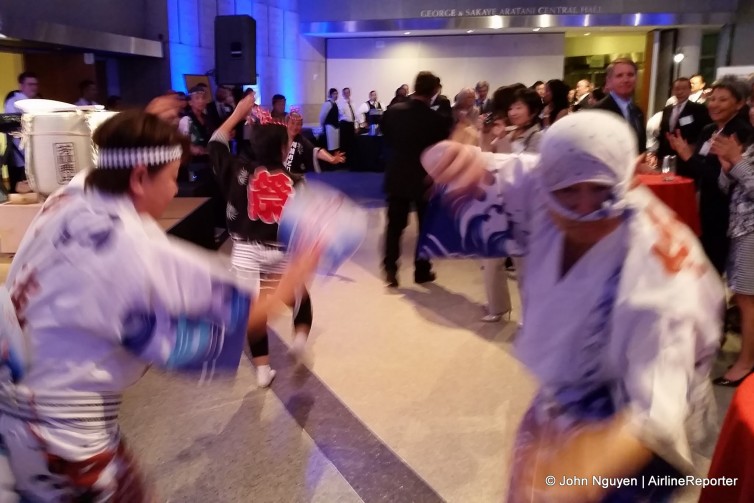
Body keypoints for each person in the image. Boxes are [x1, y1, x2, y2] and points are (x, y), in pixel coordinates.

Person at [0, 97, 319, 500]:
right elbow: (247, 311)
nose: (174, 188)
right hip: (67, 439)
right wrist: (301, 266)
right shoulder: (138, 249)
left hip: (12, 413)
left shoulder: (67, 196)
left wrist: (145, 125)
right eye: (172, 176)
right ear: (138, 177)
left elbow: (112, 160)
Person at [421, 110, 723, 501]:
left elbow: (656, 418)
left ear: (629, 178)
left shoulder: (660, 285)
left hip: (632, 421)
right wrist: (452, 156)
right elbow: (462, 164)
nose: (584, 208)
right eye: (568, 192)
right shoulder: (545, 178)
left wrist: (574, 475)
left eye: (600, 190)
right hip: (569, 388)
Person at [210, 96, 320, 387]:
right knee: (300, 298)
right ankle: (298, 339)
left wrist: (237, 114)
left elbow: (215, 142)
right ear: (285, 149)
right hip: (281, 252)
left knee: (252, 307)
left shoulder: (239, 171)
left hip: (244, 251)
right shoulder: (296, 181)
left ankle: (262, 370)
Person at [667, 76, 754, 277]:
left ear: (739, 103)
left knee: (719, 265)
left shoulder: (741, 132)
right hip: (705, 202)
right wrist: (686, 156)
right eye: (713, 99)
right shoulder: (709, 129)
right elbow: (700, 166)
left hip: (727, 210)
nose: (714, 104)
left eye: (723, 100)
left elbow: (726, 177)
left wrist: (688, 156)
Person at [381, 71, 450, 287]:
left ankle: (391, 269)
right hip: (425, 179)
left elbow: (387, 138)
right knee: (425, 227)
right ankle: (421, 271)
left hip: (397, 175)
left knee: (394, 227)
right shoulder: (437, 120)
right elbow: (441, 151)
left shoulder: (392, 112)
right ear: (434, 91)